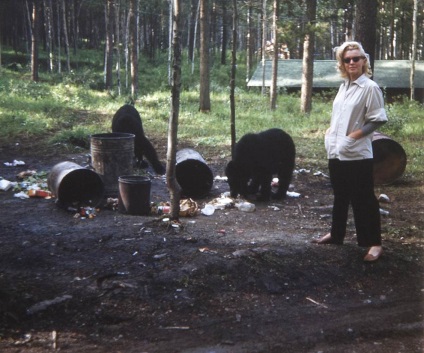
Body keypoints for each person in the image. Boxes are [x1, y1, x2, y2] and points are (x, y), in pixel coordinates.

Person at [312, 41, 388, 262]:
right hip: (336, 150)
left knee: (364, 198)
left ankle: (374, 243)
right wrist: (331, 133)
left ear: (364, 61)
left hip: (356, 153)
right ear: (342, 63)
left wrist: (354, 136)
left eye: (356, 58)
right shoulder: (344, 86)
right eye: (348, 59)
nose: (352, 62)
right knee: (340, 194)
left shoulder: (369, 88)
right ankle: (336, 235)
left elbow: (377, 119)